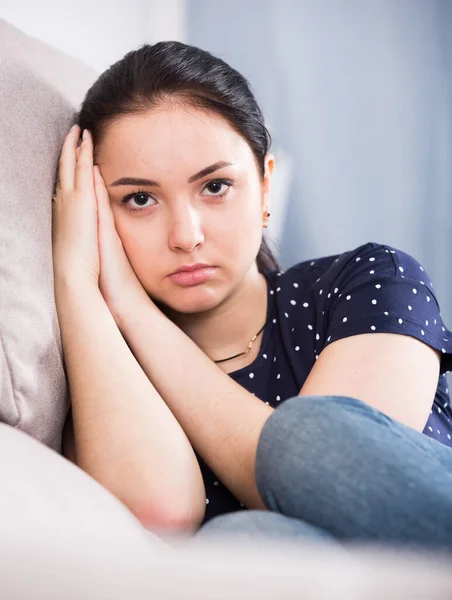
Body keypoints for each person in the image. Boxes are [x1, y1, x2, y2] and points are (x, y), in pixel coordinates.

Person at [52, 41, 452, 549]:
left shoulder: (370, 280)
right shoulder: (106, 364)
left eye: (215, 187)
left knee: (302, 436)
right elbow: (159, 512)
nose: (185, 235)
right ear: (95, 215)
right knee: (246, 540)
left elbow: (332, 476)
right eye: (139, 199)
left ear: (264, 186)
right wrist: (76, 279)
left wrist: (132, 307)